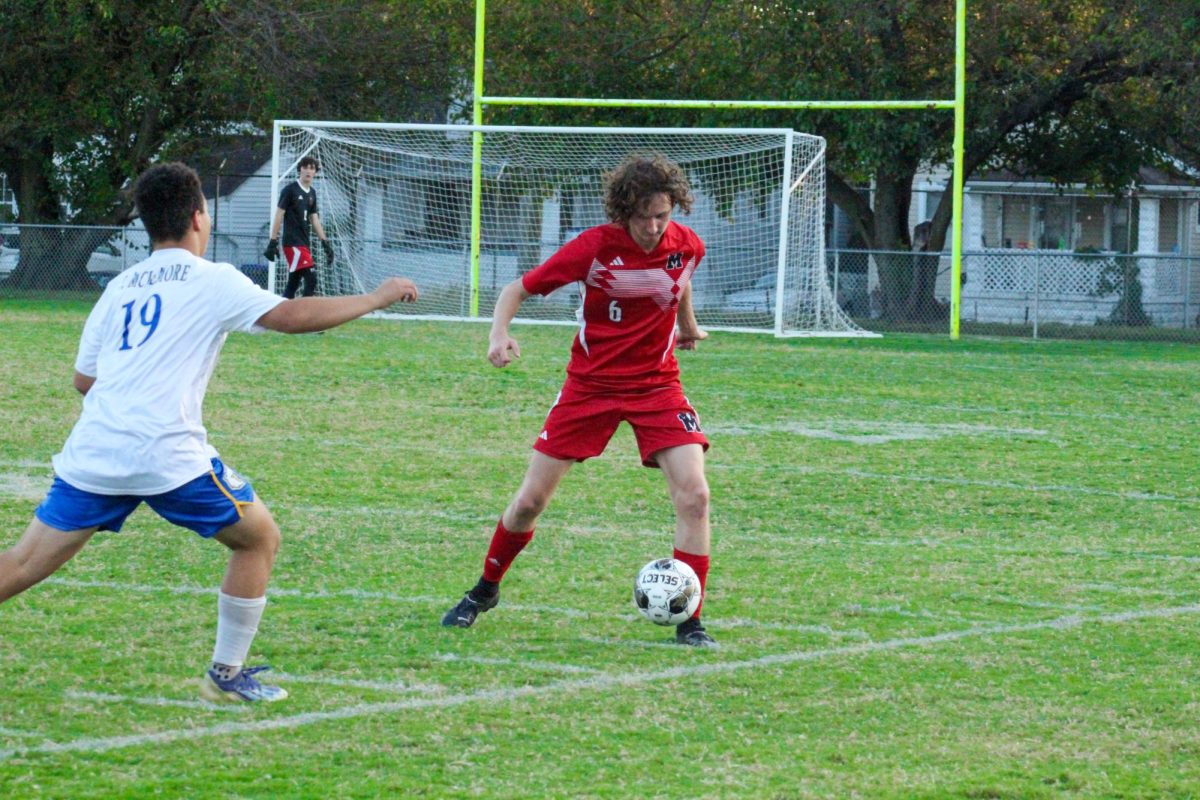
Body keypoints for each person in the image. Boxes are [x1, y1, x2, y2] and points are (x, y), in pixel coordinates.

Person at [0, 162, 418, 702]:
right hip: (167, 455)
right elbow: (289, 316)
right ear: (200, 218)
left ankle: (227, 677)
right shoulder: (210, 278)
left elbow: (85, 380)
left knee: (22, 563)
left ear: (148, 225)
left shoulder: (118, 287)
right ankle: (224, 677)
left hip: (96, 450)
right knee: (258, 539)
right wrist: (374, 297)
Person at [440, 153, 717, 647]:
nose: (654, 227)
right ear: (623, 212)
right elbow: (515, 289)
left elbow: (681, 279)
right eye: (643, 217)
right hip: (590, 387)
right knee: (529, 502)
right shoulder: (593, 249)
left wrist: (686, 327)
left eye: (663, 216)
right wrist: (497, 336)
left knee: (695, 497)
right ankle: (484, 589)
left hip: (658, 385)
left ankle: (690, 621)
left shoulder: (685, 244)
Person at [264, 155, 334, 299]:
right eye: (305, 167)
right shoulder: (290, 190)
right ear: (300, 169)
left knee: (293, 283)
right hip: (292, 243)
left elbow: (314, 219)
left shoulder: (312, 193)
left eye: (312, 168)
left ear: (315, 172)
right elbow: (278, 215)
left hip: (304, 243)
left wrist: (325, 243)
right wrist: (272, 241)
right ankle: (303, 318)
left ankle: (282, 314)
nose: (308, 171)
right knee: (311, 279)